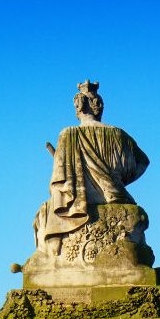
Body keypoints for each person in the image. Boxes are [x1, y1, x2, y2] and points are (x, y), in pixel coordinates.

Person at [34, 80, 150, 255]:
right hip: (117, 195)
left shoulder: (68, 134)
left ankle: (53, 252)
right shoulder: (120, 134)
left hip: (78, 202)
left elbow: (60, 180)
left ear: (79, 106)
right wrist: (116, 180)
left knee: (44, 212)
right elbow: (143, 162)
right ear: (99, 107)